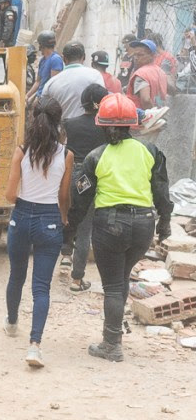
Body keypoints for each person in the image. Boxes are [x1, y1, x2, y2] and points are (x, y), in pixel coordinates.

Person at [67, 93, 173, 362]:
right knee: (122, 279)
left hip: (110, 226)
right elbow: (161, 192)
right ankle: (115, 333)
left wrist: (68, 233)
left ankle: (111, 344)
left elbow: (80, 201)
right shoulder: (150, 151)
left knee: (113, 286)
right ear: (131, 125)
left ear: (101, 125)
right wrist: (165, 225)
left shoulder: (95, 157)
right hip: (143, 226)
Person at [3, 97, 73, 368]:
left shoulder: (22, 151)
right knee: (41, 287)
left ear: (33, 119)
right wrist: (63, 217)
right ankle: (34, 346)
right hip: (50, 221)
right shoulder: (67, 155)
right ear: (58, 122)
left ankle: (11, 322)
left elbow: (10, 195)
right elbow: (63, 197)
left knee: (16, 276)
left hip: (21, 217)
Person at [59, 83, 108, 291]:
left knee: (67, 216)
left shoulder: (69, 123)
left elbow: (60, 149)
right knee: (85, 227)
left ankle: (64, 255)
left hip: (69, 174)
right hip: (90, 177)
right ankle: (77, 279)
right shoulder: (105, 128)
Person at [42, 41, 104, 119]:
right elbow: (102, 103)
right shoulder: (95, 75)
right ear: (84, 57)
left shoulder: (51, 83)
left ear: (63, 58)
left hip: (61, 130)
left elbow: (43, 110)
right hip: (89, 129)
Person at [125, 38, 169, 110]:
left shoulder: (141, 74)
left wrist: (152, 116)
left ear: (152, 55)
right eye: (135, 55)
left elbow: (145, 100)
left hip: (143, 117)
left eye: (140, 55)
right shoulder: (160, 71)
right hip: (160, 113)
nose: (136, 58)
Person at [28, 30, 62, 100]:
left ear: (42, 45)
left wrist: (38, 99)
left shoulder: (55, 59)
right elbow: (38, 82)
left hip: (47, 100)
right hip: (40, 97)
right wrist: (28, 96)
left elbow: (53, 85)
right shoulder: (43, 60)